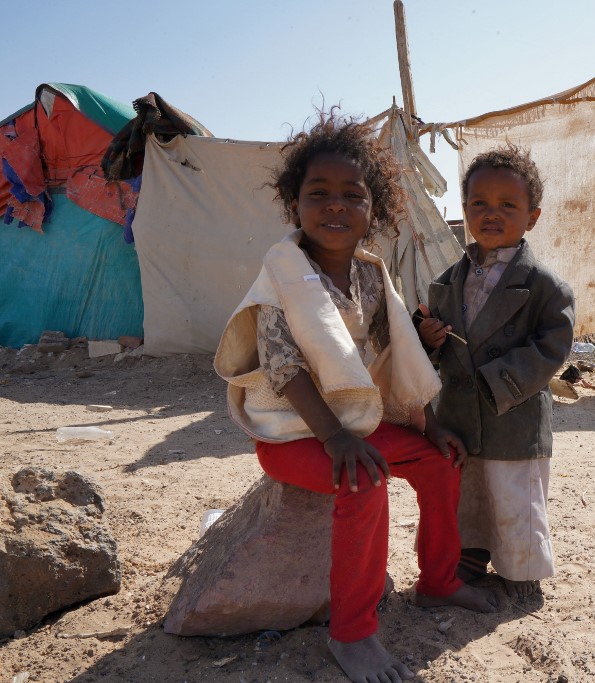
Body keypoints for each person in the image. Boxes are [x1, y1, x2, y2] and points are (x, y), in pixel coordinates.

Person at [214, 109, 497, 683]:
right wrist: (336, 438)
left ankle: (439, 581)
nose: (336, 205)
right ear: (296, 204)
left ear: (376, 210)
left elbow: (398, 360)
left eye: (353, 195)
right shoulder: (283, 272)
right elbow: (284, 367)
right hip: (292, 430)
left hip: (353, 423)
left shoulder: (371, 275)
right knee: (363, 481)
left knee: (440, 459)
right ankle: (352, 633)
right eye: (319, 193)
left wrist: (425, 422)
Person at [416, 146, 575, 600]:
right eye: (480, 203)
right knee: (467, 496)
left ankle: (520, 574)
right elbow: (423, 347)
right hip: (459, 418)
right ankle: (466, 561)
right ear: (464, 211)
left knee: (513, 498)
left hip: (514, 420)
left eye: (508, 204)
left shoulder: (547, 287)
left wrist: (495, 380)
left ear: (533, 216)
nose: (492, 213)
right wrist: (428, 338)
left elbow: (551, 347)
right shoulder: (443, 283)